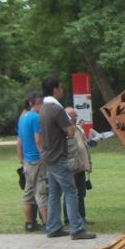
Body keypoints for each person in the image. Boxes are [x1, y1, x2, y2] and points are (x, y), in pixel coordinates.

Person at [39, 76, 96, 240]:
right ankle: (76, 229)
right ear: (55, 89)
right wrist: (70, 125)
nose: (62, 90)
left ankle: (53, 227)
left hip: (48, 156)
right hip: (58, 156)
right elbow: (70, 131)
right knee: (71, 192)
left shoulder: (43, 107)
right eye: (60, 87)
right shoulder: (57, 109)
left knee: (54, 193)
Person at [16, 92, 47, 232]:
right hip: (36, 160)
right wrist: (44, 157)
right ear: (38, 103)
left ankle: (29, 224)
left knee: (28, 193)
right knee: (41, 191)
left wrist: (21, 159)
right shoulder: (36, 118)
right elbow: (38, 141)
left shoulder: (23, 117)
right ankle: (49, 224)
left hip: (27, 161)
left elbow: (19, 141)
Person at [63, 107, 92, 226]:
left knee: (81, 193)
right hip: (71, 167)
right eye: (72, 116)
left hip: (80, 166)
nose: (75, 118)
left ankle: (82, 217)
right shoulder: (64, 130)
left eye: (75, 115)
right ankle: (68, 218)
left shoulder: (78, 129)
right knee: (70, 193)